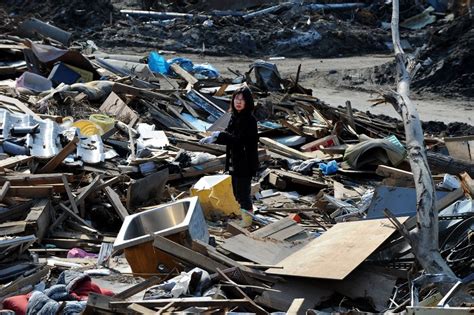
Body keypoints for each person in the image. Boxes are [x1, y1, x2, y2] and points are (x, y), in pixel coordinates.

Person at [199, 87, 259, 227]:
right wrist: (216, 137)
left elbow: (239, 140)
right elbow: (229, 134)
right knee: (236, 193)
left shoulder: (250, 120)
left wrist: (219, 136)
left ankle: (247, 221)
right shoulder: (234, 116)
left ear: (247, 102)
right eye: (236, 99)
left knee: (243, 194)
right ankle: (244, 216)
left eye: (242, 99)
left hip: (245, 162)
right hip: (234, 161)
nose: (239, 102)